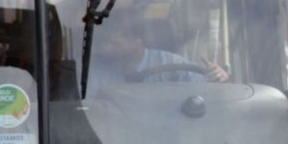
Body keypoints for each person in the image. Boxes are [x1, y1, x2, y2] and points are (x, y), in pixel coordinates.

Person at [85, 19, 228, 93]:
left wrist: (218, 78)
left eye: (113, 44)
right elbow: (90, 106)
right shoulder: (98, 74)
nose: (105, 49)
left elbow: (205, 89)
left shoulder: (172, 64)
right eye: (103, 44)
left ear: (136, 41)